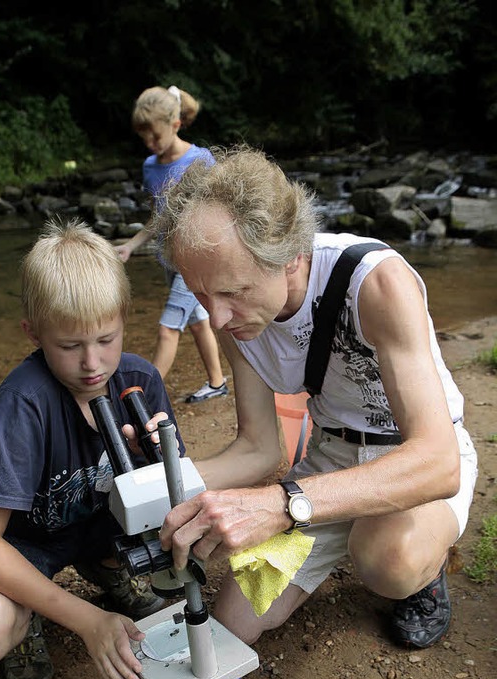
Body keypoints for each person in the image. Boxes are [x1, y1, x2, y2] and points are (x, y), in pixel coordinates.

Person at [154, 147, 478, 650]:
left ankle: (427, 568)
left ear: (289, 256)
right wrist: (157, 483)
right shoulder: (236, 317)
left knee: (386, 557)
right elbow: (259, 449)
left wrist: (285, 504)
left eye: (232, 292)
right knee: (235, 618)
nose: (216, 319)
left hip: (411, 459)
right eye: (201, 296)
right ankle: (335, 533)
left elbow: (438, 463)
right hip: (331, 457)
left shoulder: (375, 283)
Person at [0, 219, 181, 679]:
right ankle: (28, 614)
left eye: (106, 339)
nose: (93, 363)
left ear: (124, 318)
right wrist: (85, 620)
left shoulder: (139, 379)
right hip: (28, 542)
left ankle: (109, 568)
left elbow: (174, 494)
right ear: (33, 333)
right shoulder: (21, 404)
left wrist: (153, 460)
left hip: (101, 526)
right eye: (70, 346)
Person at [115, 85, 228, 403]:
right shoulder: (150, 166)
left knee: (168, 328)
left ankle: (142, 399)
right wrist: (131, 246)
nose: (151, 145)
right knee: (197, 322)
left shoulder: (201, 160)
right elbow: (159, 214)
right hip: (168, 259)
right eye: (145, 138)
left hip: (196, 261)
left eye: (156, 137)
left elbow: (218, 210)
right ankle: (217, 383)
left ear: (175, 125)